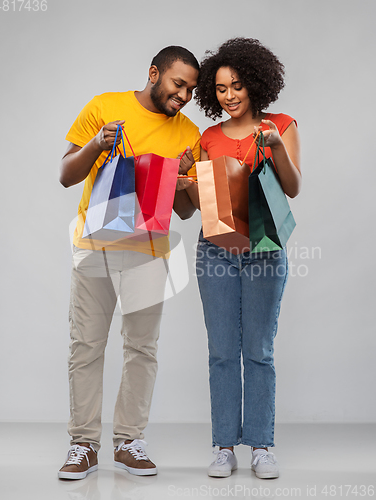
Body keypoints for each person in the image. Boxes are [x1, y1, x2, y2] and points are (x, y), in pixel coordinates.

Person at [58, 46, 200, 480]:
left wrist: (184, 179)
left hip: (148, 253)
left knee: (142, 348)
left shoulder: (189, 133)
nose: (185, 96)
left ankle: (128, 441)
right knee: (87, 345)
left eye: (192, 89)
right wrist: (99, 143)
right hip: (95, 245)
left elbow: (185, 212)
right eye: (178, 84)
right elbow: (66, 173)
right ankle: (83, 444)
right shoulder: (104, 106)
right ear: (154, 73)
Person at [177, 38, 301, 479]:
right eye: (221, 88)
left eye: (238, 86)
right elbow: (191, 208)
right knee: (222, 352)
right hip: (216, 250)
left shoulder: (280, 125)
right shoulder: (207, 137)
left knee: (259, 351)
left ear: (256, 84)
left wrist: (275, 145)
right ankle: (223, 446)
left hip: (265, 251)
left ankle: (262, 446)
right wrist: (183, 184)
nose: (229, 96)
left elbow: (292, 187)